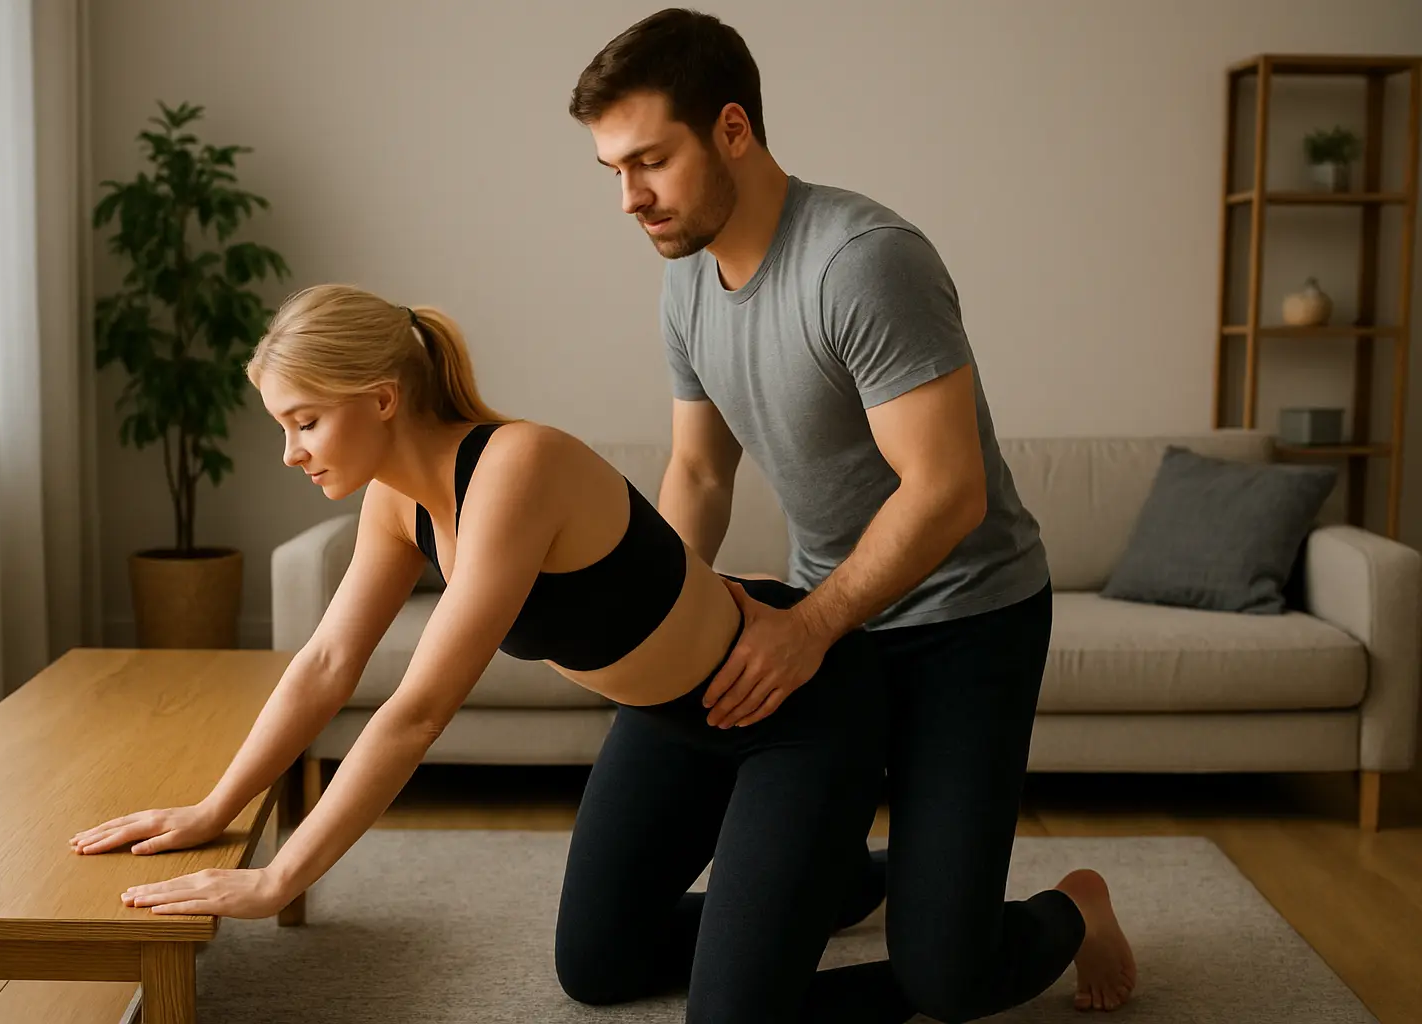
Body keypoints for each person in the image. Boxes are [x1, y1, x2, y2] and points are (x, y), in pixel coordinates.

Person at [69, 283, 893, 1024]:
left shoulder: (518, 466)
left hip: (792, 708)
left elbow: (417, 714)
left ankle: (932, 949)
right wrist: (214, 809)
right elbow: (326, 663)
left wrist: (280, 878)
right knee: (599, 967)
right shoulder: (395, 504)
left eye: (305, 421)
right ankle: (830, 881)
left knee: (731, 1017)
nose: (291, 452)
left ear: (382, 399)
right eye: (283, 427)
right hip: (666, 722)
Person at [568, 9, 1137, 1021]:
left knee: (947, 977)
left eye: (650, 160)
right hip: (827, 616)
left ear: (733, 130)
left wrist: (810, 628)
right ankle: (849, 879)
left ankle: (1070, 908)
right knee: (605, 956)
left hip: (967, 622)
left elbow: (947, 490)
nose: (628, 197)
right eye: (613, 169)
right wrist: (654, 627)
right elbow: (699, 473)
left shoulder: (862, 260)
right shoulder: (686, 280)